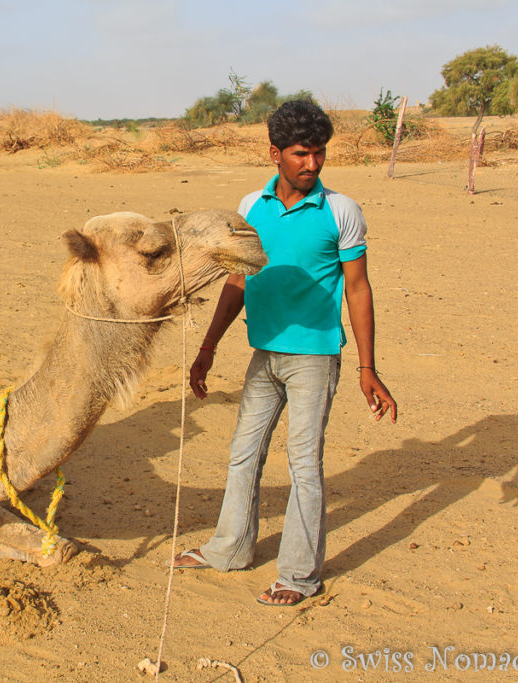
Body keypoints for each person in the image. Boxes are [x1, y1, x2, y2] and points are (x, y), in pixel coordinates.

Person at [170, 100, 398, 607]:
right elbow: (238, 281)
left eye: (319, 154)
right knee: (243, 453)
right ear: (275, 153)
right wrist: (208, 346)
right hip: (263, 356)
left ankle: (299, 575)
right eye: (301, 154)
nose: (312, 165)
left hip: (315, 359)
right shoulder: (251, 207)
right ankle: (229, 549)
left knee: (304, 466)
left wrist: (367, 368)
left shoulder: (341, 211)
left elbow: (358, 289)